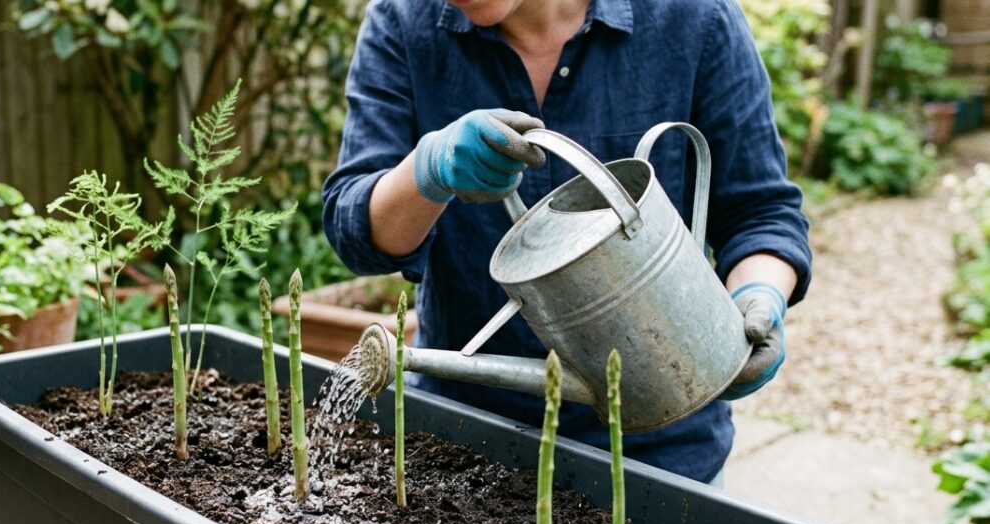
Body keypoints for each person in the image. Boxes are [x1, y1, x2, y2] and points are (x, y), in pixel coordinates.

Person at [322, 0, 810, 484]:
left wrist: (758, 296)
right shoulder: (403, 22)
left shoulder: (696, 20)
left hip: (660, 460)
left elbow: (761, 213)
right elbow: (357, 234)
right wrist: (428, 170)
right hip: (461, 451)